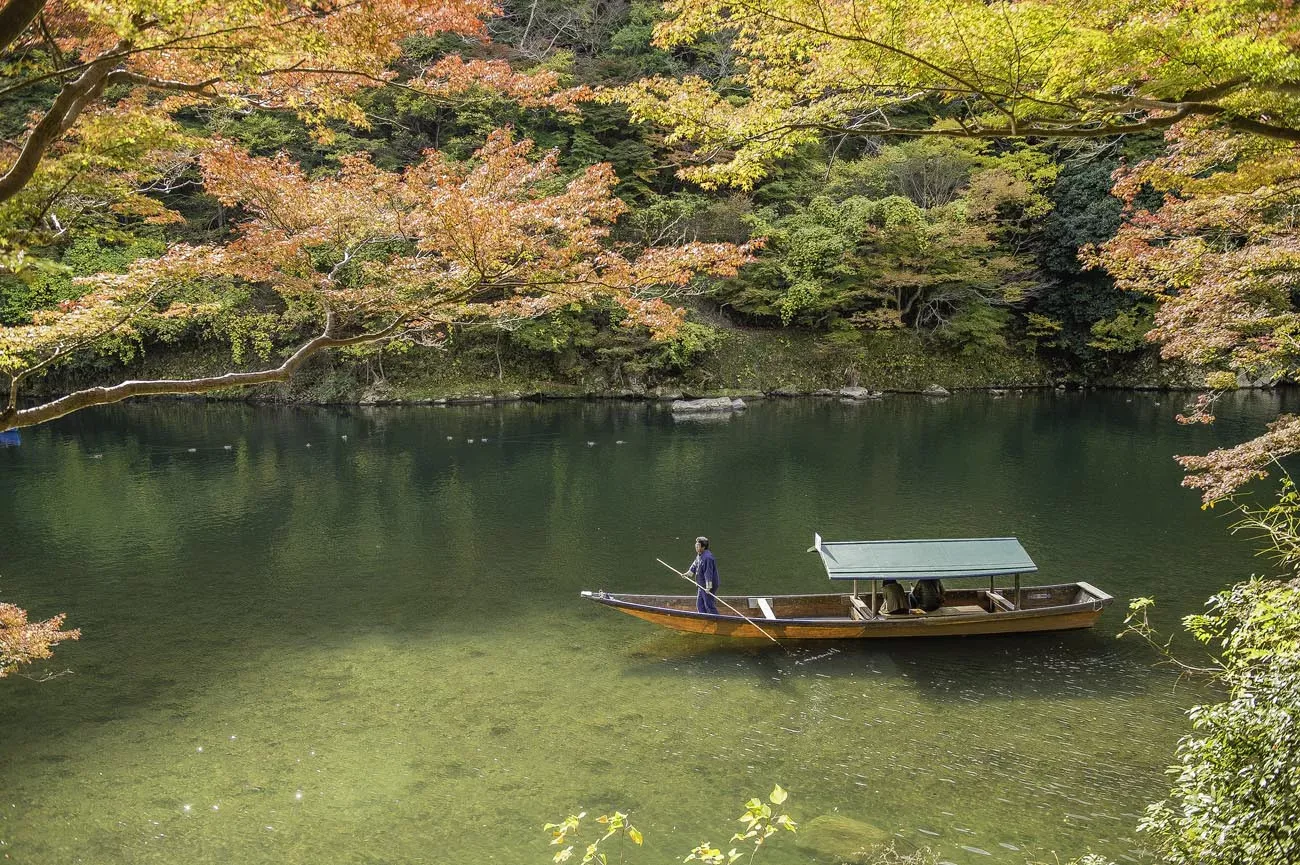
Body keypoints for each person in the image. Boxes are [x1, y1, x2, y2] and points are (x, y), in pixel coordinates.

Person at [686, 536, 719, 615]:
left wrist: (708, 587)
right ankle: (703, 618)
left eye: (698, 546)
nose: (696, 547)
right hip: (701, 584)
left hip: (708, 585)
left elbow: (708, 573)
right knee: (700, 604)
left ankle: (716, 619)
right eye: (696, 545)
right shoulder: (700, 554)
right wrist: (688, 573)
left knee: (709, 604)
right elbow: (695, 565)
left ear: (703, 547)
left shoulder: (708, 558)